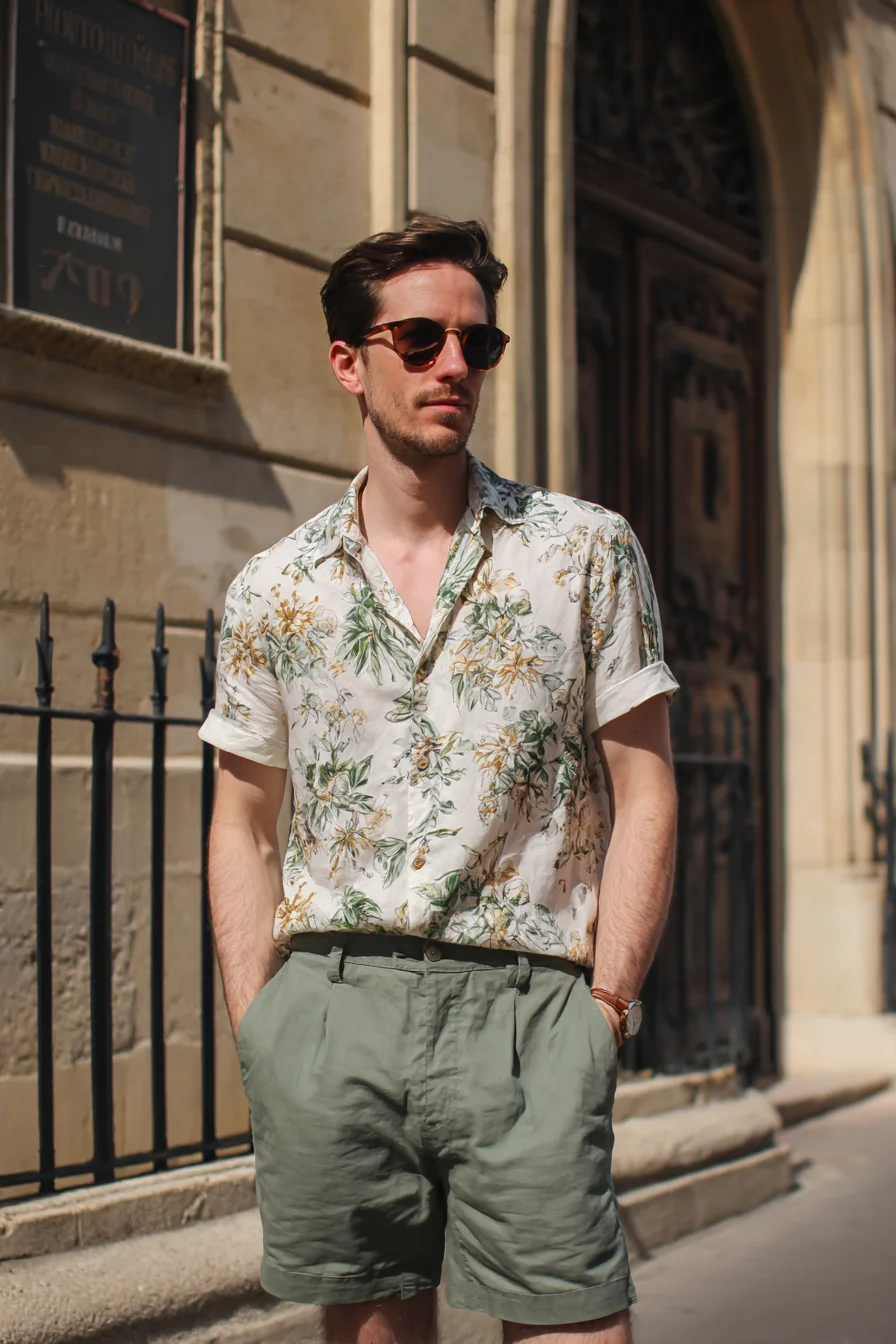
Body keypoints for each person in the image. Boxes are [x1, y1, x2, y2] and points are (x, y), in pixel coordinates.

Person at [199, 215, 679, 1344]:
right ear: (347, 362)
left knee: (574, 1325)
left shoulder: (581, 551)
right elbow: (243, 820)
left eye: (475, 342)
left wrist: (602, 1009)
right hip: (333, 1014)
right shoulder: (276, 588)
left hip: (529, 1013)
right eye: (417, 340)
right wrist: (262, 1024)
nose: (453, 366)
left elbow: (645, 789)